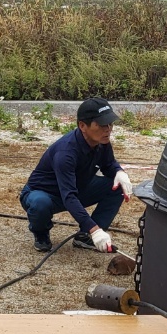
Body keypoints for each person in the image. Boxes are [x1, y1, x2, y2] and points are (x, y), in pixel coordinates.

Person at [19, 98, 133, 253]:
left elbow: (108, 165)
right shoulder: (66, 153)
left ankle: (85, 237)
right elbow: (69, 196)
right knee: (40, 204)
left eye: (110, 124)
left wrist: (119, 172)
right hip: (45, 194)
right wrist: (95, 229)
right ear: (82, 126)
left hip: (77, 188)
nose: (108, 129)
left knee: (117, 186)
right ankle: (41, 233)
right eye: (101, 124)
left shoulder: (101, 141)